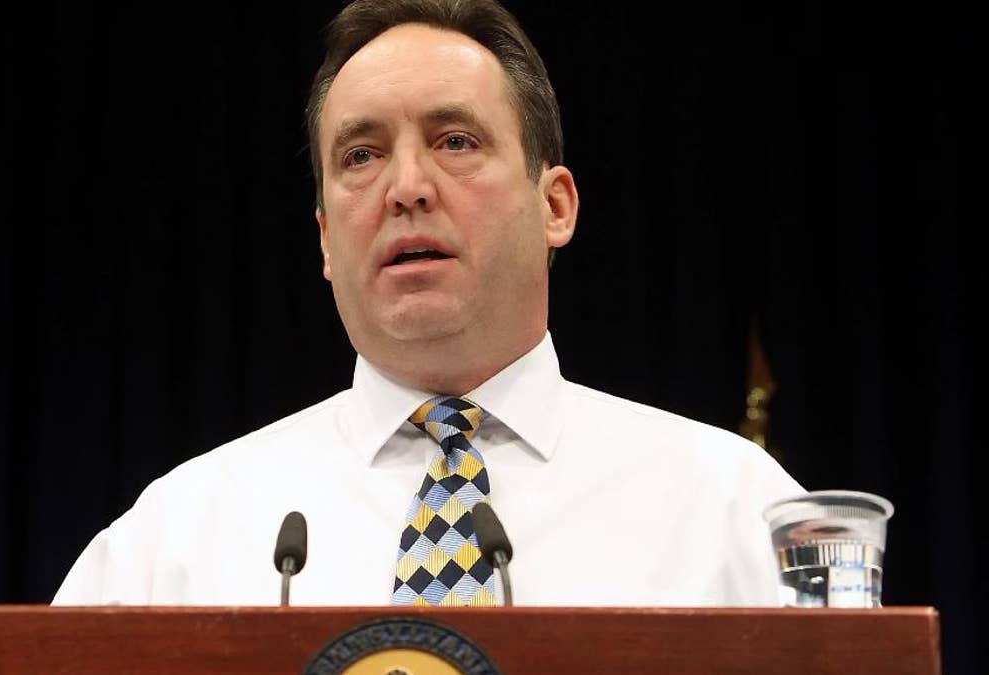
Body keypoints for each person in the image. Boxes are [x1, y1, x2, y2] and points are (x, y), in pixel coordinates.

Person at [53, 0, 802, 607]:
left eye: (454, 141)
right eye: (360, 155)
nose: (406, 186)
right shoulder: (172, 543)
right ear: (323, 238)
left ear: (556, 206)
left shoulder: (735, 512)